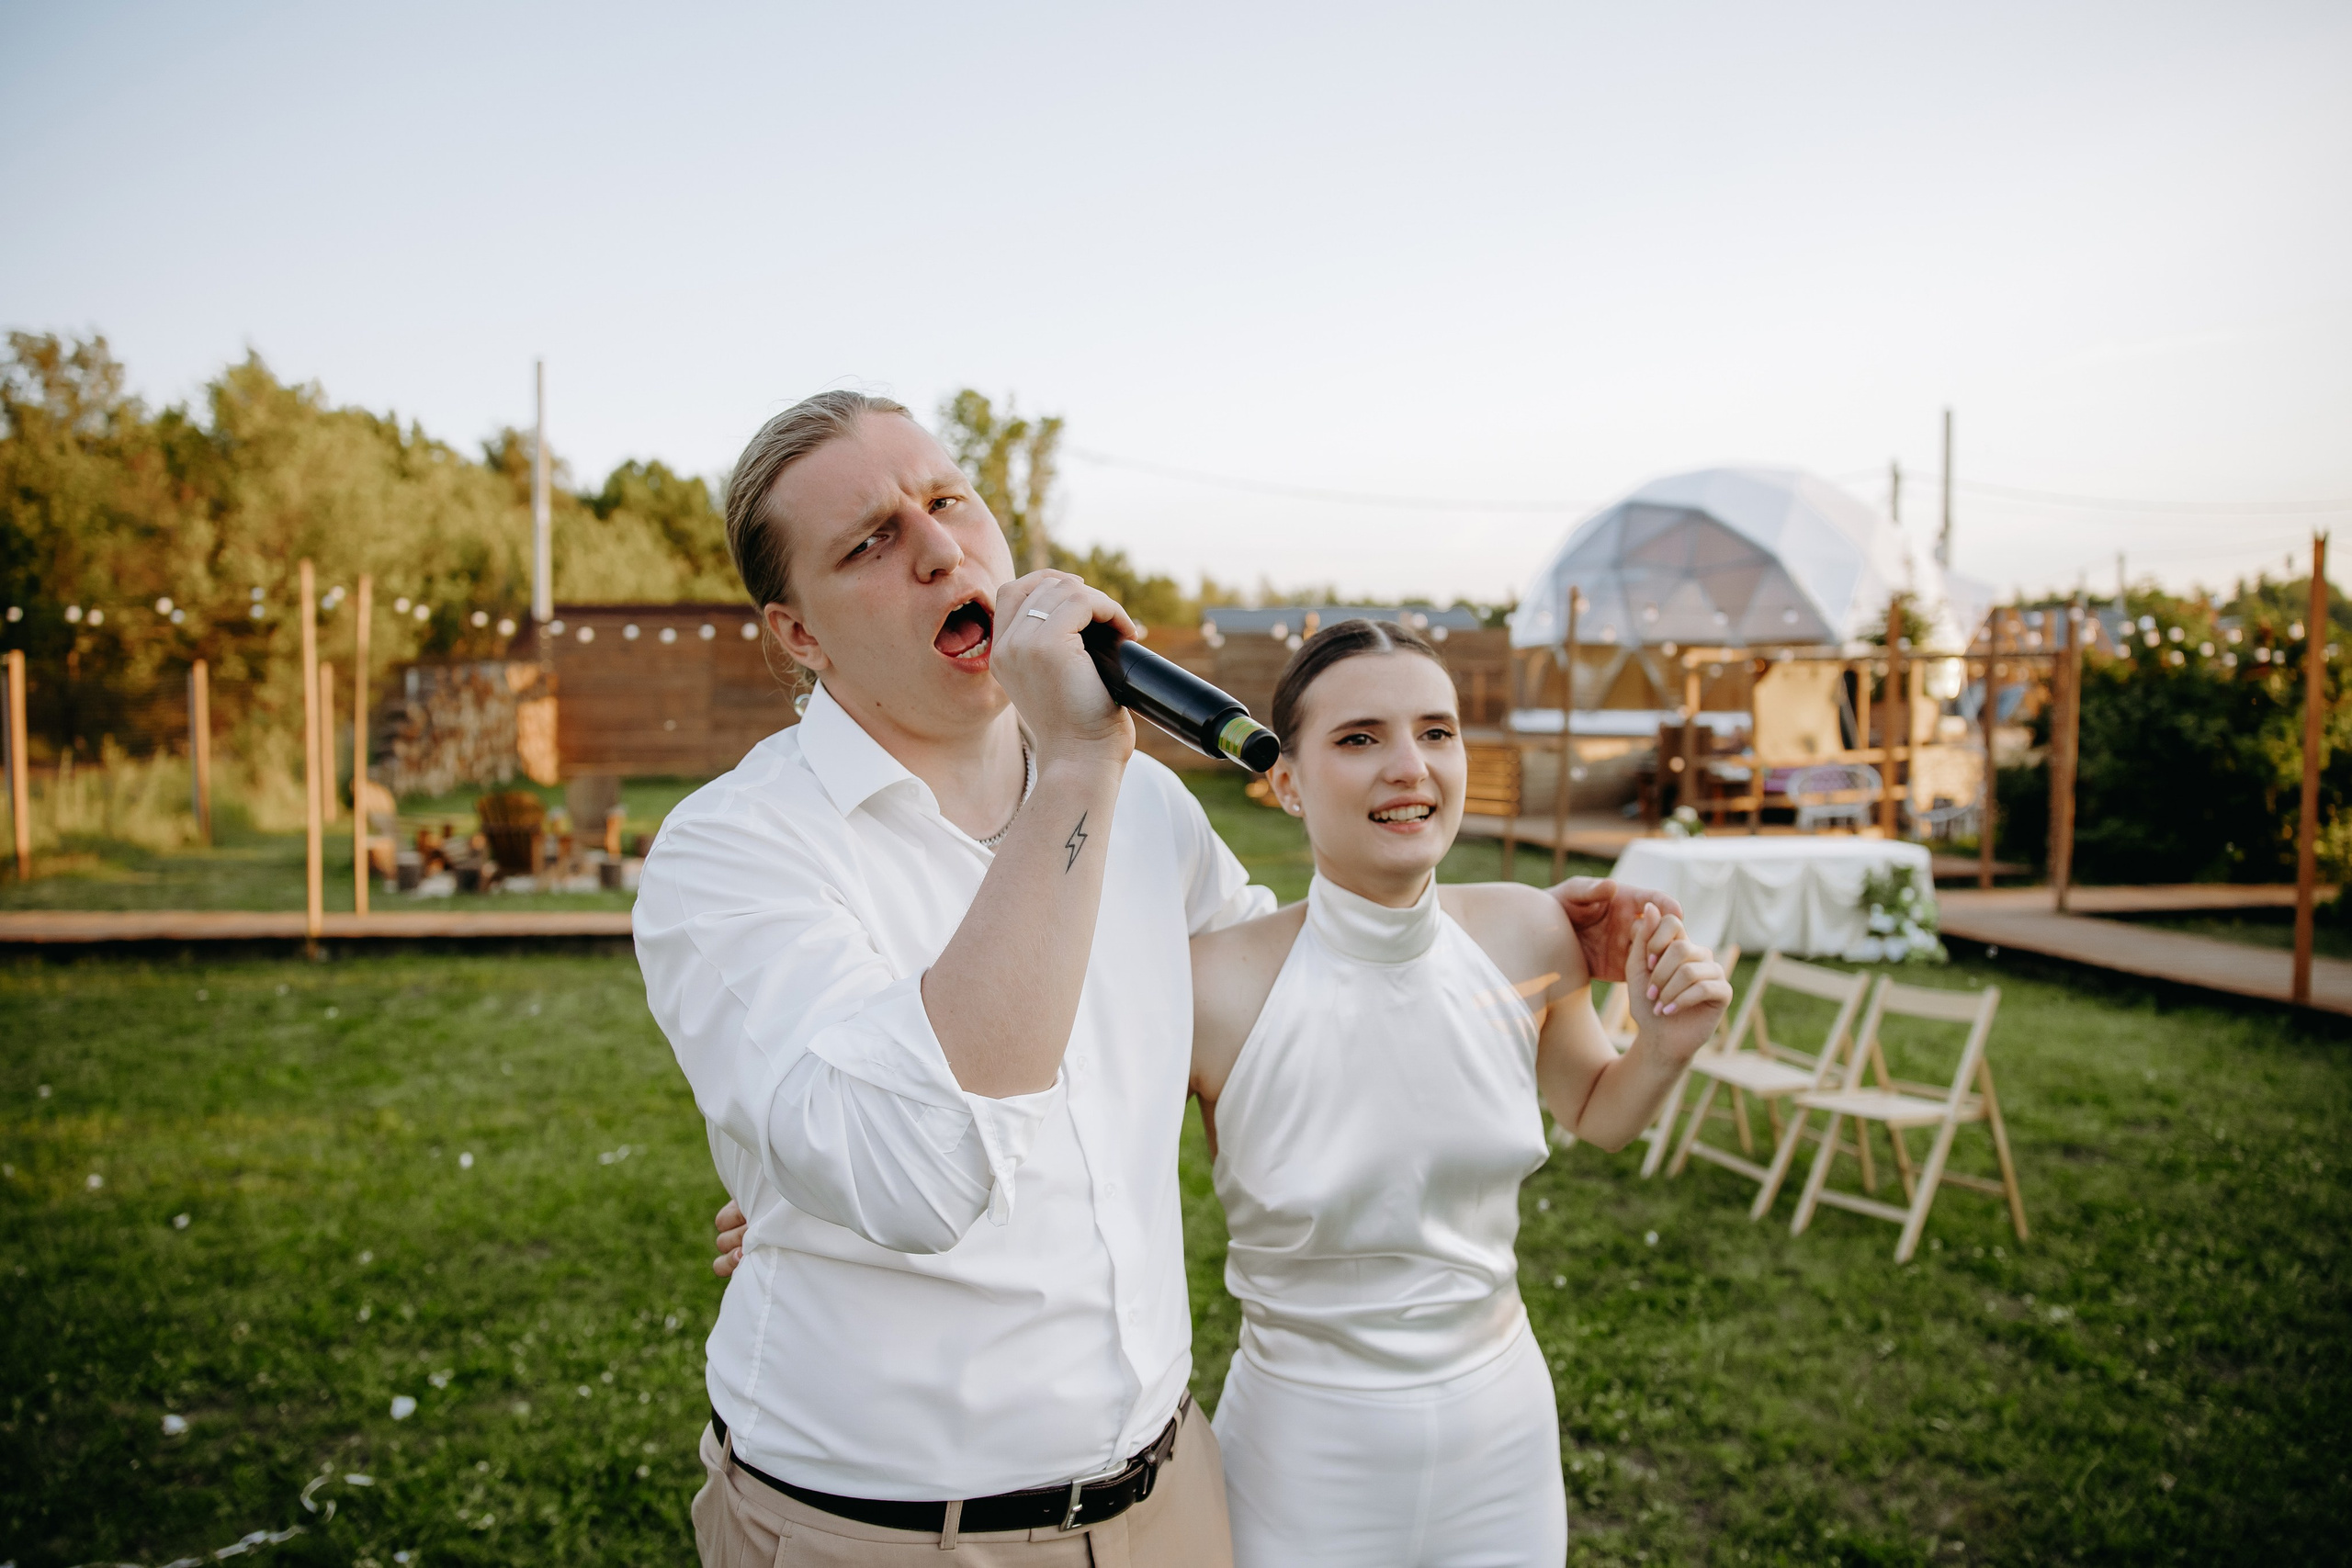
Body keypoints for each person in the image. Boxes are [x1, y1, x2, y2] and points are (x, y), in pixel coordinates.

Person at [650, 389, 1679, 1566]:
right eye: (870, 541)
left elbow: (1291, 1005)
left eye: (947, 502)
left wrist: (1504, 944)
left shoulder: (1147, 805)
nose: (939, 551)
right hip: (894, 1532)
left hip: (1170, 1501)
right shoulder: (733, 849)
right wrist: (1080, 764)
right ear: (798, 635)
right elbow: (918, 1174)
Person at [1189, 618, 1730, 1566]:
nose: (1410, 767)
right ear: (1283, 782)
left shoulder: (1528, 932)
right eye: (1360, 738)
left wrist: (1667, 1045)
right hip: (1303, 1454)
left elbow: (1599, 1113)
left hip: (1502, 1434)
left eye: (1435, 732)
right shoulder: (1214, 986)